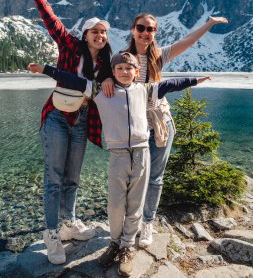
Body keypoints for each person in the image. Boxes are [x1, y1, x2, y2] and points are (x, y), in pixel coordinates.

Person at [28, 52, 210, 277]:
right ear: (113, 72)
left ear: (136, 71)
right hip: (118, 155)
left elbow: (172, 84)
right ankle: (114, 243)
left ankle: (127, 247)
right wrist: (46, 69)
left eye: (129, 68)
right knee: (115, 205)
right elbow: (70, 79)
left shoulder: (145, 90)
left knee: (135, 204)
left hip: (142, 152)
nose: (125, 72)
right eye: (120, 68)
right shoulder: (100, 91)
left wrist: (195, 80)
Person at [18, 0, 114, 265]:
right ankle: (51, 232)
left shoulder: (108, 63)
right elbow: (52, 23)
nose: (100, 35)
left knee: (72, 178)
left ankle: (69, 223)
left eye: (104, 32)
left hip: (82, 120)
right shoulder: (70, 46)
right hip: (58, 117)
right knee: (53, 179)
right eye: (95, 31)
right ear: (85, 34)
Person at [121, 12, 228, 247]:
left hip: (160, 124)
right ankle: (132, 221)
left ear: (155, 33)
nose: (146, 33)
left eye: (151, 29)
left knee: (155, 178)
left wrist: (208, 24)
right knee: (134, 176)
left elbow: (188, 42)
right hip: (134, 127)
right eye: (141, 27)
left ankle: (147, 223)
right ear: (133, 29)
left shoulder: (158, 56)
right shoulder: (122, 58)